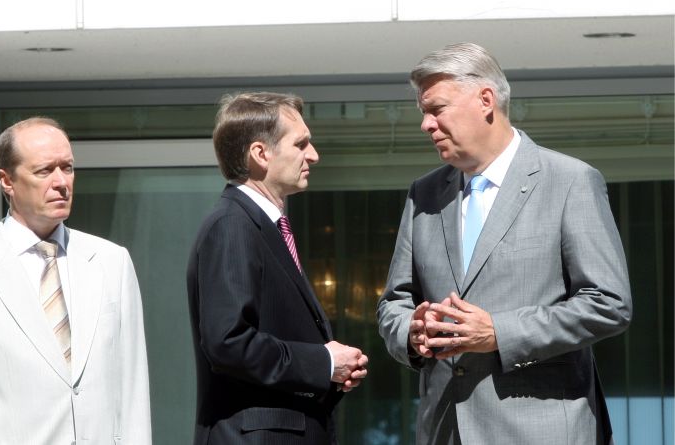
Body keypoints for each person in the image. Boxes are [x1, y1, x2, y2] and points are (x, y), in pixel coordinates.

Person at [377, 43, 632, 445]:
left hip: (541, 431)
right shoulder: (423, 194)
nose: (426, 124)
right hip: (444, 429)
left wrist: (500, 332)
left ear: (485, 100)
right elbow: (394, 302)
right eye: (423, 113)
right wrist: (411, 330)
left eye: (436, 109)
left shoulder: (570, 181)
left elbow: (609, 303)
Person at [0, 117, 151, 444]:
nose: (61, 182)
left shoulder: (111, 262)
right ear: (7, 180)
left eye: (67, 168)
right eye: (44, 171)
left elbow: (132, 392)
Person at [187, 91, 368, 444]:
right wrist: (324, 363)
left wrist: (331, 372)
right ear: (260, 154)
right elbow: (228, 343)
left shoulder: (258, 225)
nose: (313, 155)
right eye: (300, 144)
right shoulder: (232, 225)